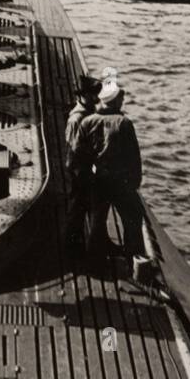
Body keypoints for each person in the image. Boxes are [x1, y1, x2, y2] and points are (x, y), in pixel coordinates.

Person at [74, 80, 145, 261]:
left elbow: (77, 156)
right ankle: (133, 258)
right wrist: (135, 182)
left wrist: (84, 178)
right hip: (120, 181)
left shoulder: (87, 122)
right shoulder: (124, 123)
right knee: (133, 217)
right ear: (115, 102)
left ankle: (93, 262)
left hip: (97, 180)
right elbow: (133, 157)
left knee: (97, 222)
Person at [64, 74, 102, 256]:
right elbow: (74, 147)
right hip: (79, 167)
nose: (95, 98)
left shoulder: (89, 113)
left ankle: (78, 239)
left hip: (86, 166)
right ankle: (71, 244)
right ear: (82, 96)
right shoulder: (76, 119)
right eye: (91, 95)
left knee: (85, 204)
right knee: (77, 206)